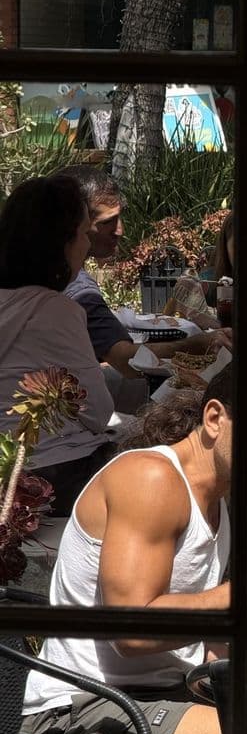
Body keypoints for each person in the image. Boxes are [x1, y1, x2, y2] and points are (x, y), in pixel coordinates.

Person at [19, 359, 247, 734]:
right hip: (75, 712)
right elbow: (133, 631)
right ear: (214, 418)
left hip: (157, 697)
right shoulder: (152, 479)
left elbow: (213, 641)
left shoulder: (221, 502)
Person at [0, 175, 117, 513]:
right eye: (83, 233)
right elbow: (98, 412)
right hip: (52, 477)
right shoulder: (56, 311)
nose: (86, 244)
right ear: (60, 243)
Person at [51, 164, 230, 373]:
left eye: (120, 217)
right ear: (73, 225)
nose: (120, 230)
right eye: (107, 222)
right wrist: (196, 345)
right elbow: (124, 359)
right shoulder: (78, 289)